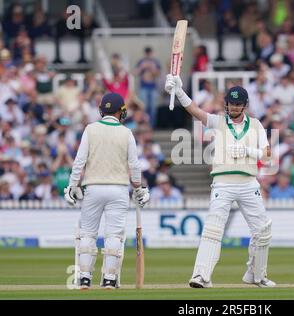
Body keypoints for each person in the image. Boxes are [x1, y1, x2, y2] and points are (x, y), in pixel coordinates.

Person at [164, 74, 276, 288]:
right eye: (231, 104)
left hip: (248, 183)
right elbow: (195, 111)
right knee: (213, 230)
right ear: (226, 104)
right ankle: (201, 276)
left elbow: (267, 154)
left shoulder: (256, 125)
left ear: (245, 105)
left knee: (263, 230)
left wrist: (247, 150)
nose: (234, 108)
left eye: (238, 104)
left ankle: (256, 275)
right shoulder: (218, 122)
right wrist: (179, 91)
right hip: (223, 183)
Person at [64, 93, 150, 290]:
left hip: (93, 188)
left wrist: (72, 186)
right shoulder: (126, 133)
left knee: (87, 233)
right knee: (114, 235)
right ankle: (110, 279)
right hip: (118, 190)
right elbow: (134, 166)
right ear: (121, 111)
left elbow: (79, 161)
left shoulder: (90, 129)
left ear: (101, 110)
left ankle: (85, 277)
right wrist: (138, 187)